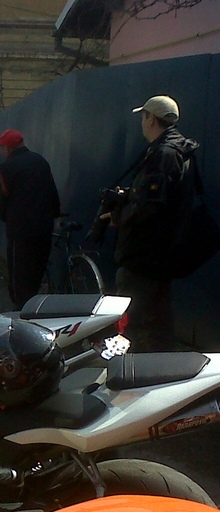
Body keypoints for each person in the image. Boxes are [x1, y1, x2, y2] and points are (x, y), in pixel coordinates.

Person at [95, 96, 198, 352]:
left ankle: (134, 373)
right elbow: (161, 198)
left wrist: (118, 217)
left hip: (143, 257)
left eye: (143, 116)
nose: (142, 122)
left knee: (132, 328)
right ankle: (161, 371)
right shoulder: (177, 151)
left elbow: (151, 205)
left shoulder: (164, 154)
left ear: (151, 118)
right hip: (159, 255)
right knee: (157, 325)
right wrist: (130, 195)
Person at [0, 129, 60, 310]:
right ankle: (36, 309)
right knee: (37, 273)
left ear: (8, 148)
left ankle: (22, 314)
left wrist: (8, 219)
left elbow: (1, 202)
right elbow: (52, 192)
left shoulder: (6, 168)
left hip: (20, 231)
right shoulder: (41, 162)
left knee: (20, 280)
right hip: (44, 228)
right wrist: (54, 214)